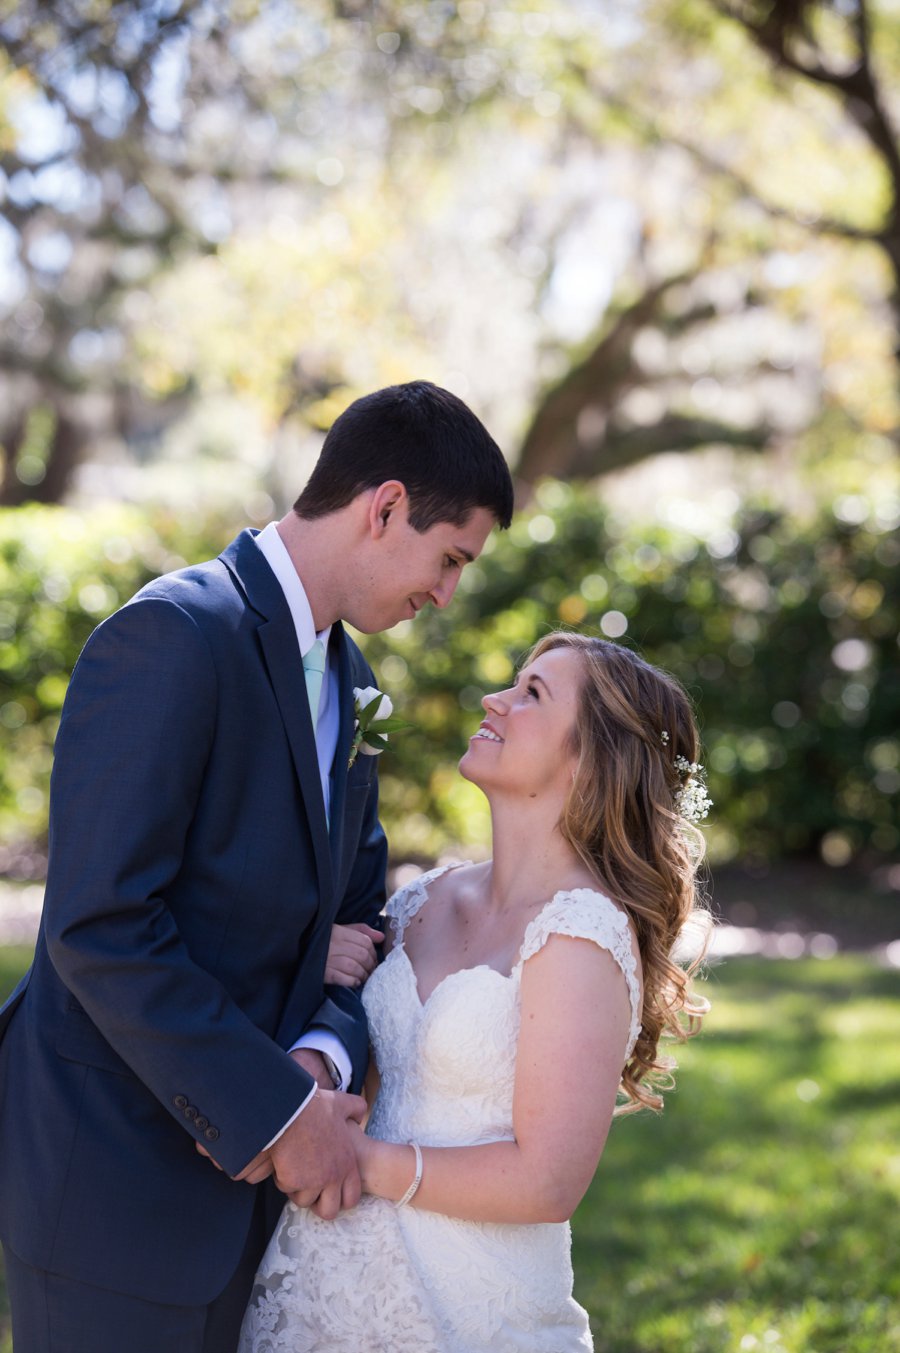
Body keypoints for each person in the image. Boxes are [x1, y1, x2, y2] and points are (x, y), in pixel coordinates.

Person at [0, 380, 514, 1353]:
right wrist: (278, 1115)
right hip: (112, 1187)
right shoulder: (174, 636)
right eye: (450, 561)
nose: (446, 595)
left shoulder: (356, 684)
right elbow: (99, 925)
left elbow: (358, 924)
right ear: (387, 507)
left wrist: (316, 1066)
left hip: (257, 1213)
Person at [240, 632, 712, 1352]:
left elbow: (546, 1180)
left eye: (532, 694)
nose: (496, 698)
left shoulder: (579, 932)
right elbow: (367, 1062)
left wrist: (356, 1159)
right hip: (325, 1283)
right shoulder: (421, 900)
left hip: (467, 1310)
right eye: (514, 681)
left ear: (586, 759)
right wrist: (313, 963)